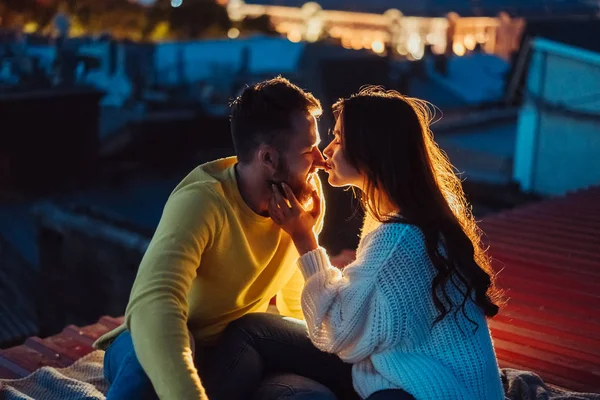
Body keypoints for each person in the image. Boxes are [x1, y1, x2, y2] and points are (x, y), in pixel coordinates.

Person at [93, 77, 358, 400]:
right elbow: (153, 302)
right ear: (269, 159)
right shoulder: (203, 201)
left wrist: (304, 239)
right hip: (165, 340)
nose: (320, 160)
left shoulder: (301, 200)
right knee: (150, 363)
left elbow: (292, 302)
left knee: (311, 397)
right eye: (308, 150)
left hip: (237, 354)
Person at [267, 87, 506, 400]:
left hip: (432, 392)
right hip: (448, 386)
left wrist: (304, 237)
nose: (327, 150)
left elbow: (338, 331)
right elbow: (370, 313)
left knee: (253, 332)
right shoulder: (410, 218)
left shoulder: (397, 237)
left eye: (338, 138)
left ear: (370, 150)